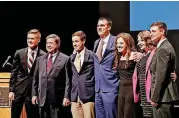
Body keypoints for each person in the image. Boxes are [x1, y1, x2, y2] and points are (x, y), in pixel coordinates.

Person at [32, 34, 71, 118]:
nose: (48, 45)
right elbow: (35, 79)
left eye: (51, 43)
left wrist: (66, 96)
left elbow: (68, 80)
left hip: (57, 99)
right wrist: (34, 94)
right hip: (42, 99)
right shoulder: (40, 59)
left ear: (57, 45)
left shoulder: (65, 59)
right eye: (47, 43)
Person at [9, 29, 46, 118]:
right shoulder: (19, 53)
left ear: (39, 40)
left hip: (33, 92)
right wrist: (11, 90)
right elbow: (14, 72)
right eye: (28, 38)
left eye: (32, 38)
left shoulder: (43, 55)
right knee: (14, 115)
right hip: (18, 90)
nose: (30, 40)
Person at [150, 22, 179, 118]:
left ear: (162, 31)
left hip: (162, 97)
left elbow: (160, 76)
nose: (151, 34)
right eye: (150, 31)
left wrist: (154, 98)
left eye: (154, 31)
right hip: (163, 97)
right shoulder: (164, 47)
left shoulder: (163, 49)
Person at [93, 16, 119, 118]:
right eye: (98, 25)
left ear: (109, 27)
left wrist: (137, 55)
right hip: (98, 89)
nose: (99, 28)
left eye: (102, 25)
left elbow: (127, 53)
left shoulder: (115, 40)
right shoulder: (96, 43)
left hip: (110, 87)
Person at [70, 31, 95, 118]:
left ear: (83, 41)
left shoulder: (91, 55)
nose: (74, 44)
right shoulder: (72, 57)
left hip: (88, 96)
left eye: (76, 41)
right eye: (73, 42)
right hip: (75, 97)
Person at [113, 32, 136, 118]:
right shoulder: (119, 56)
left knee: (128, 114)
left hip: (131, 89)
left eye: (121, 43)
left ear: (128, 43)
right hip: (121, 89)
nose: (118, 45)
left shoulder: (134, 55)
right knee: (120, 114)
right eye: (117, 43)